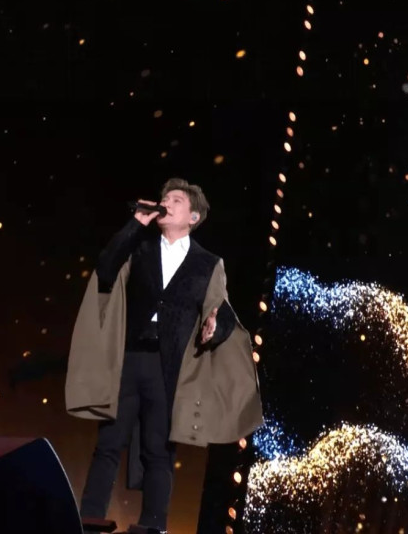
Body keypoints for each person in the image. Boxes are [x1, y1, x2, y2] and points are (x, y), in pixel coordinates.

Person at [65, 178, 263, 533]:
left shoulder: (207, 263)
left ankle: (153, 525)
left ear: (193, 217)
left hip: (169, 367)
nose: (166, 203)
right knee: (109, 442)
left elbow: (221, 308)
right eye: (164, 198)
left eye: (175, 200)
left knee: (159, 449)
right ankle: (89, 519)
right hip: (130, 357)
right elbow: (106, 267)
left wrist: (214, 326)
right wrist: (134, 225)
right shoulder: (139, 248)